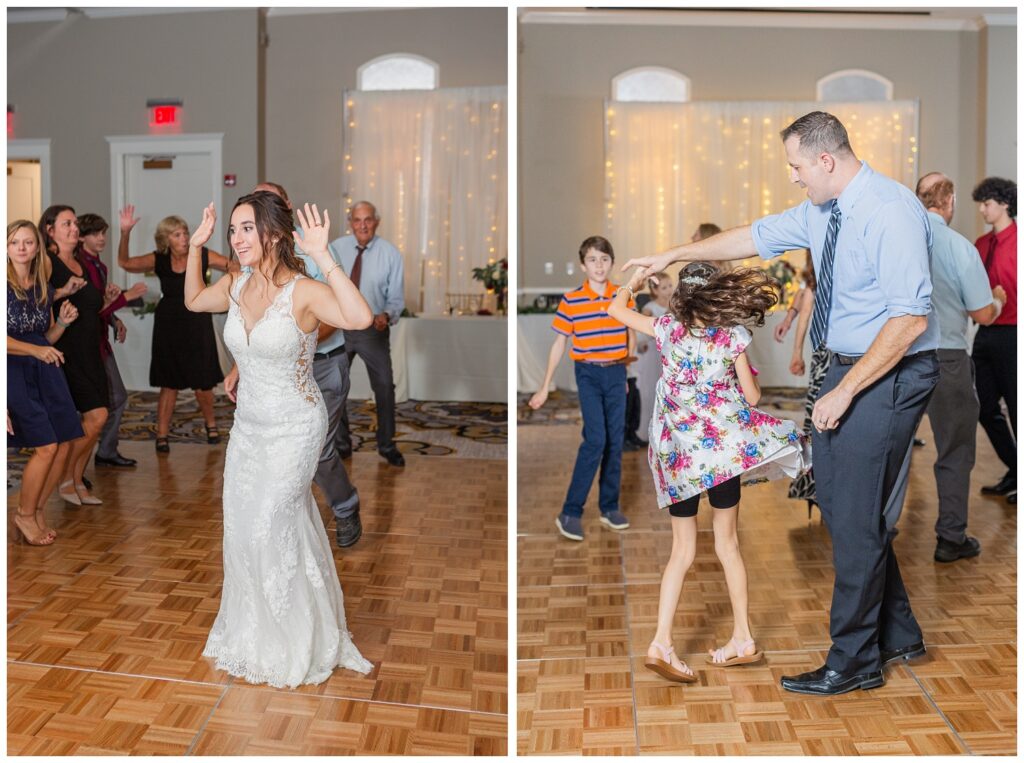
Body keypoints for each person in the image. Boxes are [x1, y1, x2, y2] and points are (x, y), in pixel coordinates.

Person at [624, 111, 939, 695]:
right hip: (850, 366)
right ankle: (899, 633)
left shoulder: (891, 211)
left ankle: (854, 660)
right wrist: (669, 254)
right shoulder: (824, 208)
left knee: (849, 516)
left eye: (795, 166)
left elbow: (911, 319)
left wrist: (844, 390)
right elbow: (752, 236)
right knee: (850, 507)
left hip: (889, 370)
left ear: (825, 160)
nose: (792, 177)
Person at [184, 193, 373, 687]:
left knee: (270, 523)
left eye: (246, 229)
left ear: (272, 234)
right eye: (231, 231)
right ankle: (256, 632)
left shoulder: (304, 290)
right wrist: (195, 249)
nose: (237, 239)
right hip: (248, 430)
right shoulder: (235, 281)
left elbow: (359, 318)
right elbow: (191, 300)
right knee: (245, 530)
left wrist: (324, 254)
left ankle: (296, 640)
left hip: (294, 426)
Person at [608, 261, 806, 680]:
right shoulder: (732, 337)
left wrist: (633, 282)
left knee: (682, 551)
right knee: (728, 544)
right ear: (717, 295)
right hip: (721, 459)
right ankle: (743, 638)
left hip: (680, 461)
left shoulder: (665, 329)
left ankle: (661, 642)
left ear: (682, 295)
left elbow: (614, 309)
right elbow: (751, 399)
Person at [225, 181, 363, 548]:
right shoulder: (247, 269)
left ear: (278, 213)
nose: (239, 236)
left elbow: (343, 315)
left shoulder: (307, 250)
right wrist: (245, 365)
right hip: (264, 394)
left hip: (321, 368)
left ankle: (346, 507)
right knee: (256, 509)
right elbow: (254, 327)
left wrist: (300, 335)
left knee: (321, 453)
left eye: (253, 219)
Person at [910, 173, 1005, 560]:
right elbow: (982, 313)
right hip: (947, 358)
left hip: (899, 357)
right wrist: (997, 299)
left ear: (919, 201)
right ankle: (951, 538)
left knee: (894, 453)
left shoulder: (899, 243)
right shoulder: (960, 247)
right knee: (954, 451)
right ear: (949, 202)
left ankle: (880, 531)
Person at [528, 235, 632, 541]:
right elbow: (559, 342)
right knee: (595, 440)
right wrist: (545, 387)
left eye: (604, 259)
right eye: (592, 260)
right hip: (587, 374)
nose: (599, 266)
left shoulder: (622, 296)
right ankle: (570, 512)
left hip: (616, 374)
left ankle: (609, 507)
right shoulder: (571, 300)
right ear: (582, 264)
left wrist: (625, 373)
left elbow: (630, 332)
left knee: (615, 441)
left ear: (612, 262)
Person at [117, 206, 237, 452]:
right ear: (166, 239)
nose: (183, 238)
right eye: (177, 235)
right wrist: (125, 233)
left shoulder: (201, 254)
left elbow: (234, 267)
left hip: (197, 321)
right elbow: (125, 262)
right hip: (168, 324)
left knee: (202, 381)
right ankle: (162, 434)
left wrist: (223, 292)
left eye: (184, 233)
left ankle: (211, 425)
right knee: (168, 382)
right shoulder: (158, 258)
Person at [7, 220, 85, 545]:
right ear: (6, 248)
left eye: (28, 242)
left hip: (44, 369)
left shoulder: (43, 286)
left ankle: (37, 510)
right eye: (14, 242)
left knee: (64, 441)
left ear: (38, 247)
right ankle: (24, 514)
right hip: (13, 370)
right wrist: (37, 350)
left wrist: (63, 324)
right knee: (46, 446)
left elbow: (47, 335)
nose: (22, 248)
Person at [329, 201, 406, 467]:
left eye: (368, 219)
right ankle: (341, 444)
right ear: (350, 222)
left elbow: (396, 298)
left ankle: (386, 445)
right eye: (357, 220)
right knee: (335, 386)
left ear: (377, 221)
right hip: (338, 328)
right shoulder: (336, 248)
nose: (363, 225)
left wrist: (387, 315)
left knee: (384, 387)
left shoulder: (391, 254)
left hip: (373, 329)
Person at [41, 205, 108, 506]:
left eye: (74, 223)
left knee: (97, 418)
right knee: (90, 418)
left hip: (89, 351)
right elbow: (33, 303)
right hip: (64, 352)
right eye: (66, 223)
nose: (74, 228)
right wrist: (61, 292)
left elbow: (91, 306)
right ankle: (66, 480)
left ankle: (74, 479)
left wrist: (108, 302)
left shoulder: (82, 261)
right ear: (50, 230)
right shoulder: (47, 263)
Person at [76, 213, 147, 469]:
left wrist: (114, 319)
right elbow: (91, 310)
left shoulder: (99, 266)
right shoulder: (81, 266)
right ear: (81, 237)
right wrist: (127, 296)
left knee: (114, 398)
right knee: (103, 402)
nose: (102, 238)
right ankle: (80, 465)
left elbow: (101, 306)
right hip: (87, 347)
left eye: (103, 233)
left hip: (100, 343)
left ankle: (104, 451)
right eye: (96, 233)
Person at [970, 177, 1016, 503]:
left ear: (1004, 203)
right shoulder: (980, 245)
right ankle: (1016, 469)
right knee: (985, 409)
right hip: (985, 334)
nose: (983, 209)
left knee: (1017, 408)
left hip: (1014, 333)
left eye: (987, 202)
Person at [784, 253, 825, 515]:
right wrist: (797, 352)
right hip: (828, 356)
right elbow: (805, 310)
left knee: (819, 425)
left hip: (830, 356)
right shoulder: (815, 279)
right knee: (819, 424)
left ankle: (818, 489)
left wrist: (798, 352)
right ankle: (816, 488)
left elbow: (804, 310)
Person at [636, 271, 673, 439]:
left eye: (670, 286)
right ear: (655, 291)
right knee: (652, 390)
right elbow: (641, 331)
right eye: (664, 288)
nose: (669, 290)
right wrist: (643, 342)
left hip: (672, 354)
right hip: (654, 354)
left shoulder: (675, 307)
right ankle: (649, 432)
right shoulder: (649, 308)